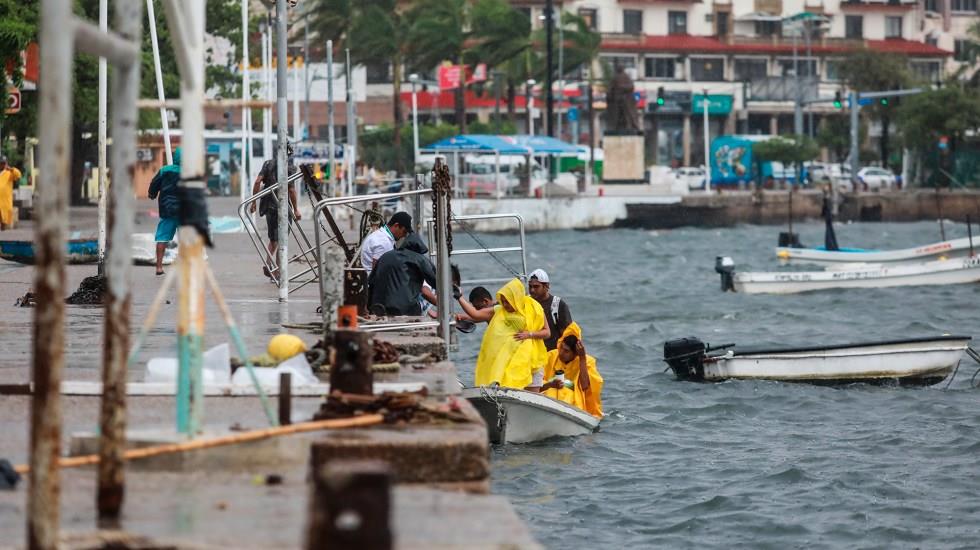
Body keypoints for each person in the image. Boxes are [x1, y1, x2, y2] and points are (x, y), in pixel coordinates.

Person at [457, 278, 550, 389]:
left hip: (532, 358)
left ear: (516, 298)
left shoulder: (534, 307)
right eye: (503, 301)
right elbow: (476, 314)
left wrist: (529, 334)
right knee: (510, 389)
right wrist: (459, 298)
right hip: (509, 359)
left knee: (533, 395)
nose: (505, 305)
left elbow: (547, 332)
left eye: (508, 301)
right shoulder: (500, 309)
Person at [250, 144, 301, 278]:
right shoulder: (288, 168)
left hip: (268, 205)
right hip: (282, 206)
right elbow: (291, 190)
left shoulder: (267, 164)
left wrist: (253, 202)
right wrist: (296, 210)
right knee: (281, 239)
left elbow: (257, 182)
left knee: (274, 239)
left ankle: (269, 264)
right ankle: (277, 270)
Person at [539, 322, 603, 418]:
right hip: (547, 397)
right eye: (561, 348)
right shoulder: (551, 356)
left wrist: (582, 359)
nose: (561, 353)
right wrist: (550, 384)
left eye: (566, 351)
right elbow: (536, 383)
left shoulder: (587, 361)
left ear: (575, 353)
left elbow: (585, 387)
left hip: (573, 403)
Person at [367, 232, 437, 316]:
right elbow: (436, 282)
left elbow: (371, 281)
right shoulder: (419, 259)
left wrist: (369, 307)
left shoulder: (385, 256)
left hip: (379, 307)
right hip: (406, 310)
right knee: (429, 290)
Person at [147, 148, 182, 275]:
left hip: (167, 210)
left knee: (162, 238)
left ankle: (159, 267)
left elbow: (154, 183)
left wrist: (152, 194)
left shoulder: (164, 170)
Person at [527, 269, 572, 351]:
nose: (532, 290)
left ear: (546, 286)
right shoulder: (526, 303)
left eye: (536, 286)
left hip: (552, 355)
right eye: (530, 286)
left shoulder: (558, 305)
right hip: (531, 354)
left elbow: (567, 334)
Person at [0, 156, 23, 231]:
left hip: (5, 201)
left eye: (3, 163)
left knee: (4, 219)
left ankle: (2, 234)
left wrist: (11, 169)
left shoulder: (9, 173)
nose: (2, 165)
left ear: (6, 163)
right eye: (1, 163)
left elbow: (18, 175)